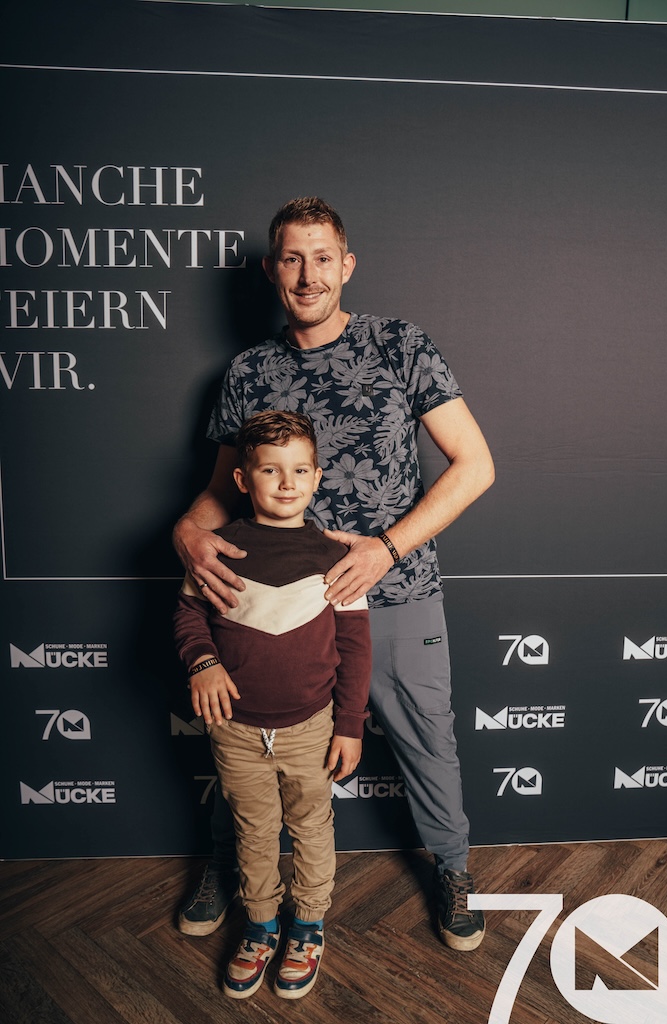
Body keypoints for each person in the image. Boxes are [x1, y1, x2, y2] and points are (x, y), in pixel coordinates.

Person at [174, 196, 495, 953]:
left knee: (428, 741)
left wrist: (385, 548)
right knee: (247, 739)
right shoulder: (249, 370)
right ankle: (228, 864)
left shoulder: (400, 345)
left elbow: (474, 465)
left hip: (395, 590)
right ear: (271, 270)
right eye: (292, 258)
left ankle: (453, 870)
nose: (308, 274)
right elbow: (220, 493)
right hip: (275, 605)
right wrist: (187, 530)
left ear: (346, 265)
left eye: (322, 258)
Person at [174, 410, 371, 999]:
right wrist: (203, 662)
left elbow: (355, 647)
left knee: (312, 828)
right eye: (270, 470)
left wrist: (350, 725)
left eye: (300, 470)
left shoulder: (338, 555)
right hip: (234, 730)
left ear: (317, 478)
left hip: (311, 729)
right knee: (253, 831)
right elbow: (189, 617)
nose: (287, 483)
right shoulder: (216, 549)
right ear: (242, 479)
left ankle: (307, 927)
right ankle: (261, 926)